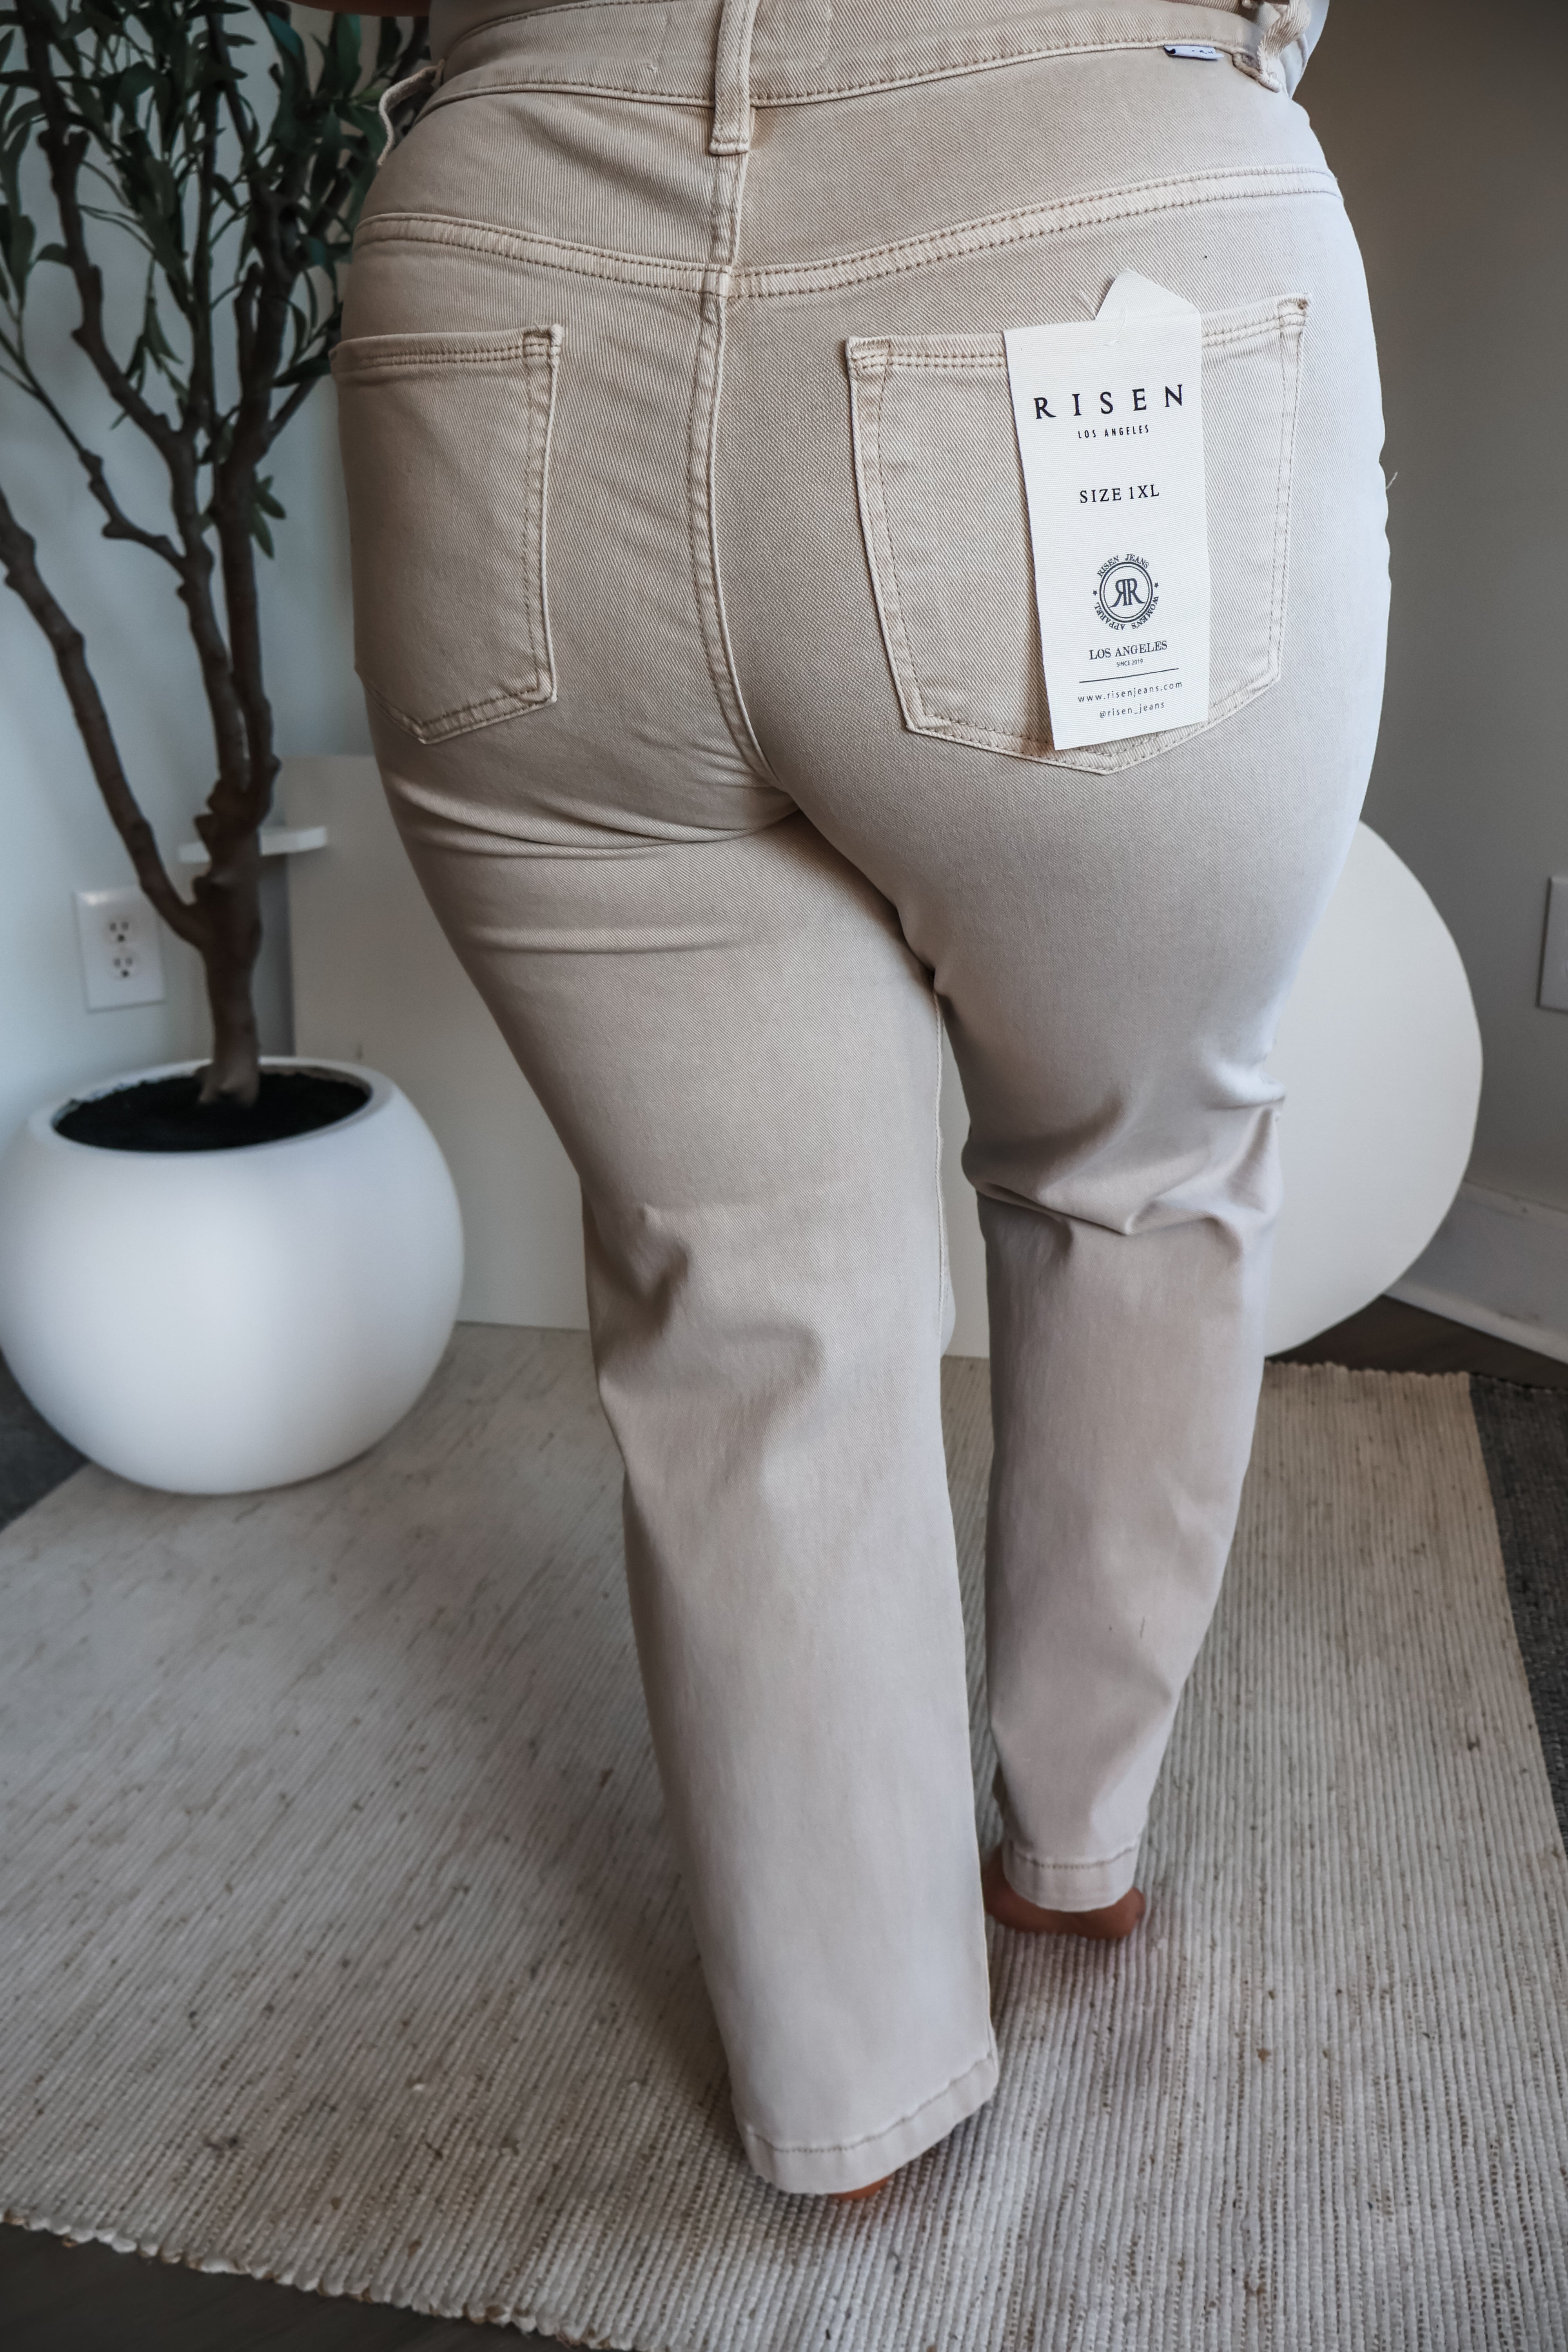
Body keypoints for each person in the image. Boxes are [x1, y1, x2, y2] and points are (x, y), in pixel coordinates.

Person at [322, 0, 1385, 2197]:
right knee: (1136, 1166)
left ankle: (851, 2088)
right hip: (1079, 218)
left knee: (750, 1292)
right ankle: (1070, 1852)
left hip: (501, 289)